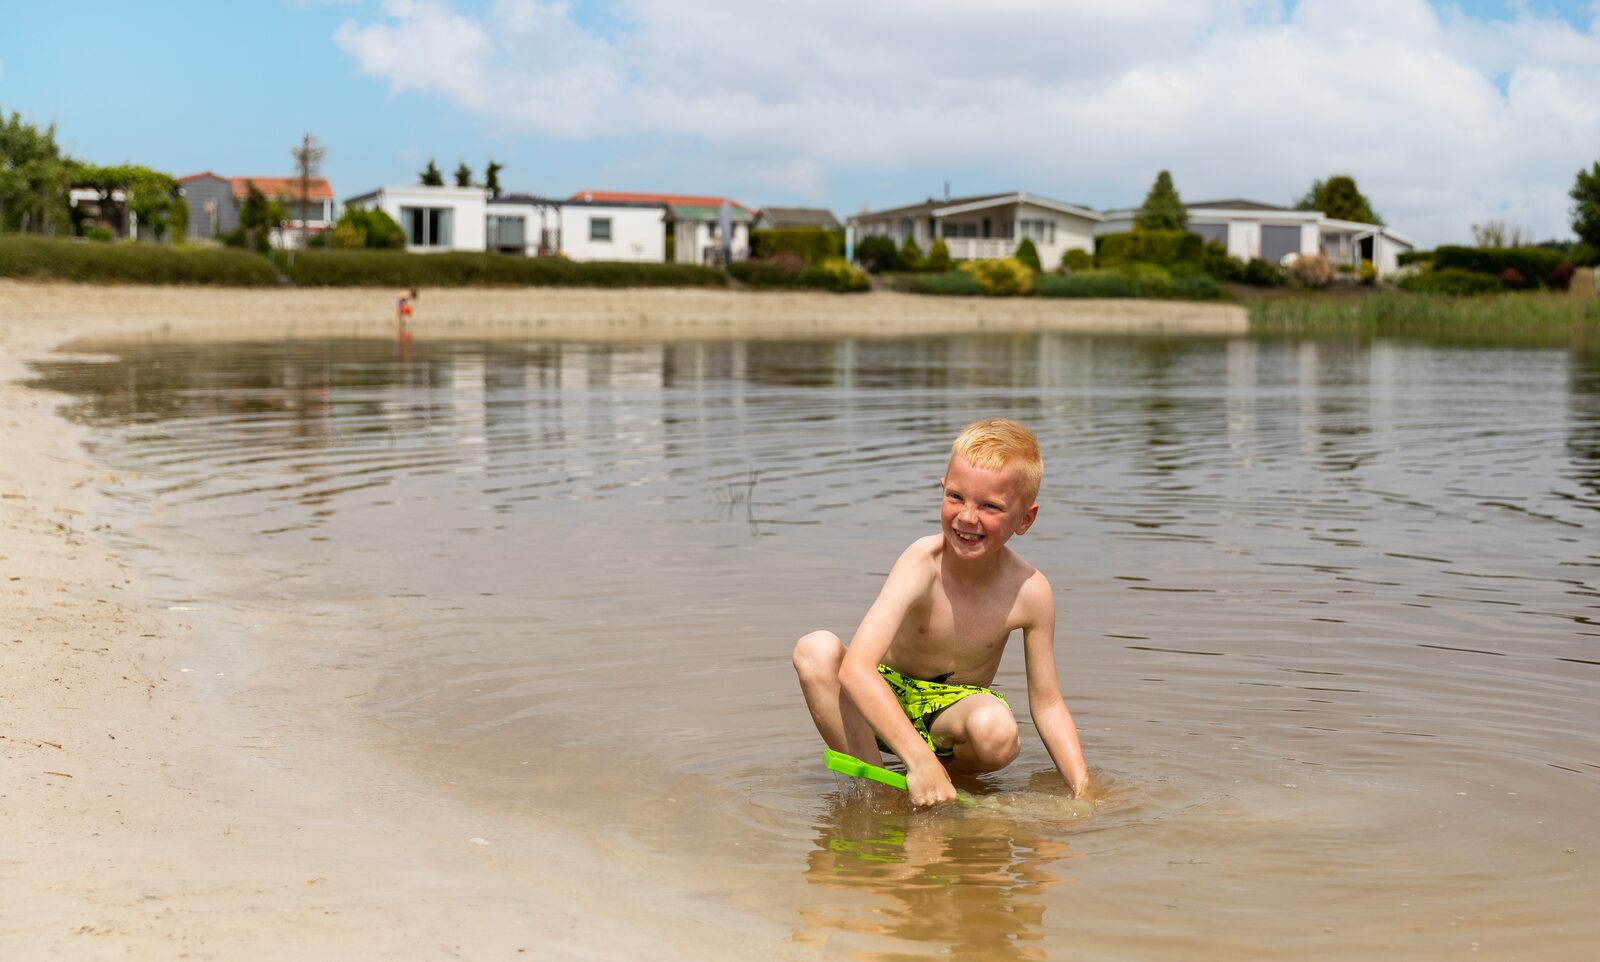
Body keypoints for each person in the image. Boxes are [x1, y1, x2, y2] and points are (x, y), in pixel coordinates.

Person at [793, 418, 1089, 808]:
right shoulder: (921, 563)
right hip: (883, 700)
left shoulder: (1031, 592)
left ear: (1025, 519)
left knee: (996, 730)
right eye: (956, 497)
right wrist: (916, 760)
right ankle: (879, 795)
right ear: (941, 490)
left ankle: (944, 785)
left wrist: (1084, 791)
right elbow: (855, 670)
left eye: (990, 506)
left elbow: (1048, 704)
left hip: (952, 713)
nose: (967, 517)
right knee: (815, 649)